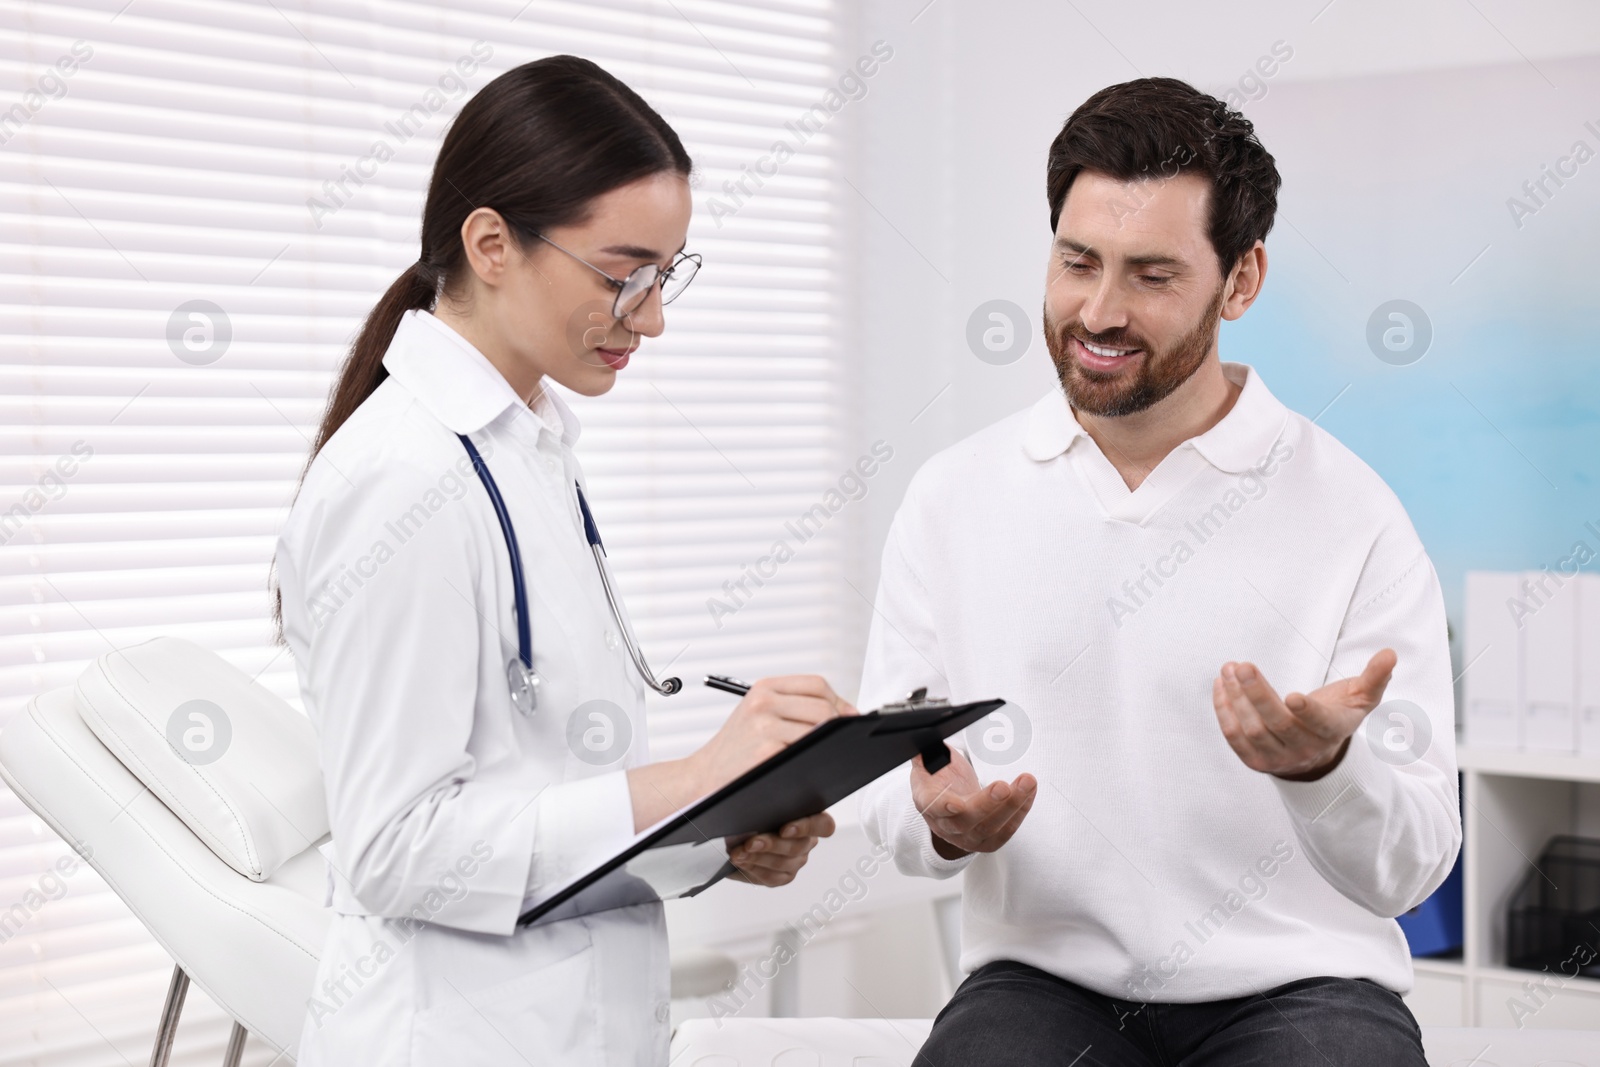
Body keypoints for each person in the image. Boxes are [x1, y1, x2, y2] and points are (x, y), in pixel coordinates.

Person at [859, 77, 1458, 1066]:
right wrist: (940, 821)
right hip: (1046, 980)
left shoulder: (1354, 515)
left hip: (1302, 984)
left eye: (1150, 274)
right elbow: (892, 777)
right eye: (1076, 261)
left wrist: (1322, 769)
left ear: (1241, 279)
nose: (1099, 309)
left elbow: (1414, 861)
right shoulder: (950, 496)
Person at [274, 55, 853, 1066]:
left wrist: (718, 833)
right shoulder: (403, 479)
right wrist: (695, 777)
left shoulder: (525, 447)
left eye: (665, 274)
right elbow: (394, 849)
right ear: (491, 243)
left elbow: (540, 802)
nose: (653, 315)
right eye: (623, 273)